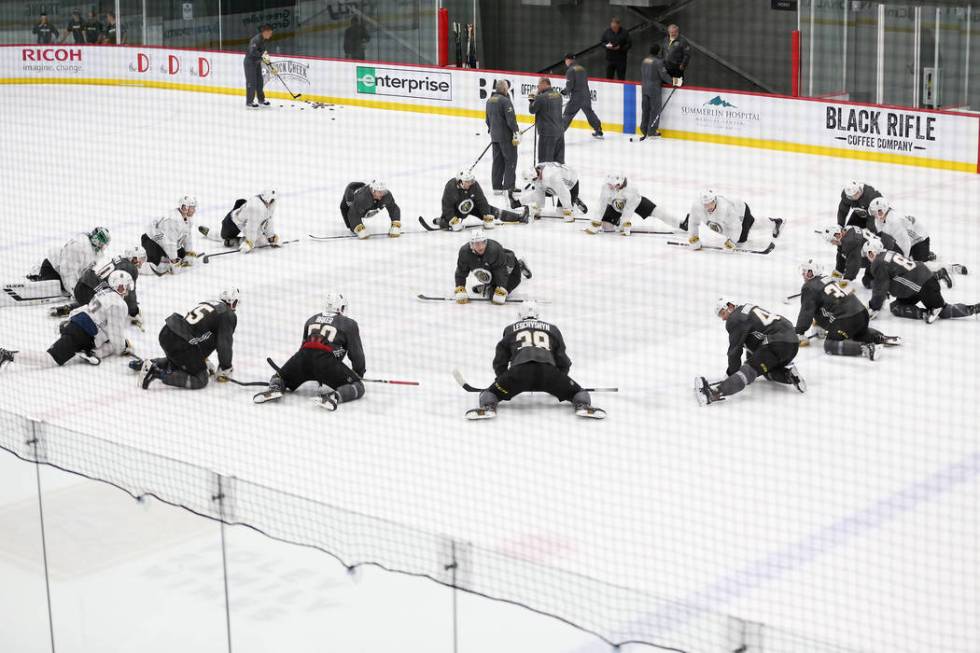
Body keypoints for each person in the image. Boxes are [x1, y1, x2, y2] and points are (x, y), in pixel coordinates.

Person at [465, 303, 603, 419]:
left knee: (490, 393)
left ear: (520, 315)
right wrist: (560, 380)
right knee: (578, 392)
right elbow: (562, 359)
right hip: (548, 373)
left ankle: (488, 407)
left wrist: (502, 380)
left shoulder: (510, 329)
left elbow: (500, 359)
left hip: (518, 373)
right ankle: (583, 406)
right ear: (538, 315)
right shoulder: (552, 329)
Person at [254, 292, 366, 411]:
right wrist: (358, 374)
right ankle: (334, 396)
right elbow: (356, 354)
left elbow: (304, 346)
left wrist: (290, 371)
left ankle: (275, 387)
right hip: (326, 363)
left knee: (279, 376)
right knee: (358, 387)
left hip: (302, 358)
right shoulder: (349, 323)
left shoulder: (311, 319)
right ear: (341, 308)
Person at [0, 271, 134, 370]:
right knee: (49, 359)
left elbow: (86, 308)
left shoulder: (103, 293)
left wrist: (69, 319)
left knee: (110, 341)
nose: (128, 291)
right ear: (122, 287)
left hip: (78, 324)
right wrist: (123, 348)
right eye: (127, 287)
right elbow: (116, 334)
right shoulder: (119, 304)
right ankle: (8, 355)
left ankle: (90, 351)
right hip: (82, 333)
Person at [695, 299, 805, 406]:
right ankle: (789, 375)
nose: (723, 319)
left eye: (723, 313)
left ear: (730, 306)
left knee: (748, 371)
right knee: (763, 369)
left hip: (776, 343)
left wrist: (732, 374)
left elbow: (734, 351)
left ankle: (714, 394)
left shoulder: (735, 318)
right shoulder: (747, 309)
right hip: (792, 344)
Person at [794, 259, 899, 360]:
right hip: (862, 314)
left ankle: (866, 349)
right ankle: (880, 337)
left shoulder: (809, 287)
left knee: (829, 345)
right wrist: (819, 324)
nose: (803, 274)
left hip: (847, 320)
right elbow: (826, 306)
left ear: (811, 272)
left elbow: (806, 311)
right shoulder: (829, 279)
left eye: (805, 272)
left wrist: (799, 332)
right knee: (857, 333)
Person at [138, 289, 239, 389]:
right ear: (232, 303)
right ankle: (157, 373)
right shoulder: (228, 314)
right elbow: (224, 343)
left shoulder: (209, 304)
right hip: (182, 341)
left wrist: (202, 360)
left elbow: (202, 333)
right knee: (201, 379)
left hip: (167, 332)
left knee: (181, 362)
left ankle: (148, 364)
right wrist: (225, 367)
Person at [864, 242, 977, 324]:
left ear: (871, 252)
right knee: (896, 307)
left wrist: (874, 307)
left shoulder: (877, 263)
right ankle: (926, 311)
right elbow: (895, 276)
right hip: (921, 281)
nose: (867, 259)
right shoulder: (888, 253)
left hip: (922, 286)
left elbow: (880, 287)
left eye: (867, 254)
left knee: (943, 311)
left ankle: (974, 309)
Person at [50, 246, 146, 325]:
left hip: (82, 284)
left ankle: (69, 308)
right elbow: (129, 294)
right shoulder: (131, 268)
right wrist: (134, 311)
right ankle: (72, 324)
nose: (141, 263)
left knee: (101, 298)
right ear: (134, 257)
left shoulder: (120, 259)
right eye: (141, 259)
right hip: (90, 291)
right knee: (106, 312)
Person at [683, 189, 782, 251]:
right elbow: (693, 222)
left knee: (741, 241)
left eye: (711, 203)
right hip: (734, 211)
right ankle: (774, 222)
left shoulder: (725, 209)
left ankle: (774, 223)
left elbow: (736, 227)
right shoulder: (697, 207)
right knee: (752, 224)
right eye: (706, 204)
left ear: (715, 200)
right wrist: (693, 237)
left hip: (741, 212)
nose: (708, 207)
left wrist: (732, 241)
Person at [454, 229, 530, 305]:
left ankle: (519, 265)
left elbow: (501, 272)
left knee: (496, 297)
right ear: (471, 244)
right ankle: (489, 286)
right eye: (477, 244)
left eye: (483, 243)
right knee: (485, 273)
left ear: (486, 242)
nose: (480, 247)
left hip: (510, 269)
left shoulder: (494, 249)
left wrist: (501, 288)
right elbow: (461, 271)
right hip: (493, 267)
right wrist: (460, 287)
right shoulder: (465, 252)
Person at [433, 171, 527, 231]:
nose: (470, 183)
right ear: (460, 181)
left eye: (470, 180)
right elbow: (446, 206)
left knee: (493, 211)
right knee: (446, 223)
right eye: (467, 181)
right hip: (456, 211)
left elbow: (481, 201)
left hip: (472, 206)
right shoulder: (451, 187)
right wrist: (452, 219)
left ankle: (518, 217)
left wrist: (486, 214)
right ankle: (438, 221)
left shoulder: (474, 185)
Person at [28, 227, 111, 294]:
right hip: (52, 271)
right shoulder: (80, 247)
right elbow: (67, 272)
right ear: (96, 240)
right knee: (51, 289)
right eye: (102, 244)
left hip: (63, 274)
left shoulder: (94, 251)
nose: (103, 248)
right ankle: (38, 274)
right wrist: (75, 292)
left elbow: (84, 272)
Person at [586, 174, 672, 236]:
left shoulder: (631, 189)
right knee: (607, 227)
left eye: (613, 186)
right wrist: (596, 222)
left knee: (658, 213)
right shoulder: (605, 187)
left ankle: (681, 224)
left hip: (636, 204)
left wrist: (625, 223)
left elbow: (628, 209)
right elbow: (602, 205)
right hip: (615, 206)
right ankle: (617, 221)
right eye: (609, 185)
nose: (611, 188)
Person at [824, 225, 901, 289]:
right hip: (879, 247)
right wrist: (838, 271)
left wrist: (847, 279)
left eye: (832, 240)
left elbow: (855, 263)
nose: (832, 243)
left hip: (885, 253)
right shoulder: (847, 231)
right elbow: (841, 253)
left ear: (837, 235)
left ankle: (889, 278)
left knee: (867, 282)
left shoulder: (850, 241)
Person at [140, 196, 199, 275]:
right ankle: (138, 267)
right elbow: (170, 243)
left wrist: (188, 253)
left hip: (163, 242)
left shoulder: (187, 218)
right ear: (185, 208)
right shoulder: (173, 220)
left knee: (181, 255)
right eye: (192, 208)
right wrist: (174, 261)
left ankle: (163, 258)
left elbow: (187, 237)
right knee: (159, 265)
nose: (194, 210)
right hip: (151, 241)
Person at [512, 162, 587, 222]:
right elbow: (538, 194)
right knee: (541, 187)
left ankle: (575, 199)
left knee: (560, 212)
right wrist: (537, 210)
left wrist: (568, 212)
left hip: (570, 185)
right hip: (556, 185)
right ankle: (570, 200)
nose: (534, 182)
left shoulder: (552, 177)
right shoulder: (538, 171)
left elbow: (563, 193)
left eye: (533, 180)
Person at [868, 197, 934, 262]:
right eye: (872, 212)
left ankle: (926, 254)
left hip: (919, 240)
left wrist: (904, 261)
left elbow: (905, 242)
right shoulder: (879, 219)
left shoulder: (894, 221)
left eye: (874, 212)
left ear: (883, 210)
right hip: (904, 240)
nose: (873, 215)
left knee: (917, 263)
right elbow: (882, 238)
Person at [485, 80, 520, 194]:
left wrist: (493, 131)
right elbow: (511, 120)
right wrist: (516, 131)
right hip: (506, 137)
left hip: (494, 136)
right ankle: (509, 187)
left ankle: (497, 187)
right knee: (510, 160)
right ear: (505, 89)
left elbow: (487, 120)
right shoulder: (505, 101)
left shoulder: (489, 101)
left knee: (497, 162)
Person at [562, 54, 603, 139]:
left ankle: (558, 133)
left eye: (565, 60)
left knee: (568, 114)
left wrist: (564, 92)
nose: (565, 62)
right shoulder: (582, 68)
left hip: (576, 97)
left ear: (568, 60)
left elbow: (570, 86)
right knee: (589, 112)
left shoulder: (570, 70)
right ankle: (598, 129)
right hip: (586, 95)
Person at [639, 44, 673, 139]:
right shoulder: (658, 62)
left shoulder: (645, 60)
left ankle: (643, 129)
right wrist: (674, 82)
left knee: (645, 109)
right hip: (654, 89)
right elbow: (664, 76)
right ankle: (652, 131)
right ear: (658, 52)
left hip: (644, 88)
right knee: (655, 110)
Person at [528, 77, 564, 164]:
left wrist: (531, 100)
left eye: (539, 85)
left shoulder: (541, 97)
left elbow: (532, 110)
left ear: (544, 84)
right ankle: (559, 176)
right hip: (559, 133)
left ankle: (545, 176)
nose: (538, 87)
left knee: (545, 161)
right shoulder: (558, 96)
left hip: (547, 134)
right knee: (558, 161)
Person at [244, 24, 273, 108]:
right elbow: (252, 52)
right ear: (265, 32)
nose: (271, 35)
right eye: (270, 33)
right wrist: (262, 56)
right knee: (251, 82)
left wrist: (268, 61)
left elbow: (263, 51)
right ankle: (249, 102)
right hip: (250, 63)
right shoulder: (256, 39)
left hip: (257, 63)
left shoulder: (263, 39)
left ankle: (261, 100)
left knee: (260, 81)